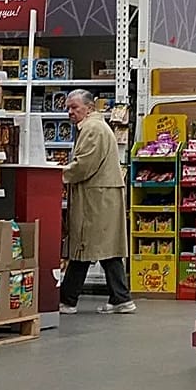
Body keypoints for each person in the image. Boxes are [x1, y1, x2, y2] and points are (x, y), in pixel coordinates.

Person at [59, 90, 133, 315]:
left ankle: (68, 300)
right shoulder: (95, 127)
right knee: (106, 248)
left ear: (89, 108)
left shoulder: (92, 129)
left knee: (85, 247)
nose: (70, 112)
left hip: (96, 199)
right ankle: (121, 298)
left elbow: (84, 166)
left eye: (74, 107)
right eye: (68, 108)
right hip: (102, 197)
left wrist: (57, 174)